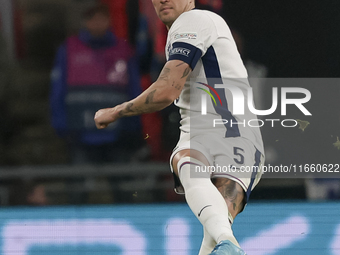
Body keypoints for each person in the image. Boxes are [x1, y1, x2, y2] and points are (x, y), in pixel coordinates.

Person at [94, 0, 264, 254]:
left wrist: (116, 111)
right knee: (216, 233)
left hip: (219, 132)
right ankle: (228, 244)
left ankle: (228, 243)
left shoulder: (192, 21)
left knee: (184, 160)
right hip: (244, 143)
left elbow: (166, 90)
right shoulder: (197, 26)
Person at [50, 4, 143, 164]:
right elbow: (58, 90)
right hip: (79, 131)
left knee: (122, 183)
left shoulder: (123, 50)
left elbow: (134, 88)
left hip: (117, 132)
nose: (97, 23)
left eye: (102, 18)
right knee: (80, 184)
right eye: (93, 19)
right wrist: (61, 123)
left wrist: (133, 122)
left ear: (109, 21)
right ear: (85, 22)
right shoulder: (69, 50)